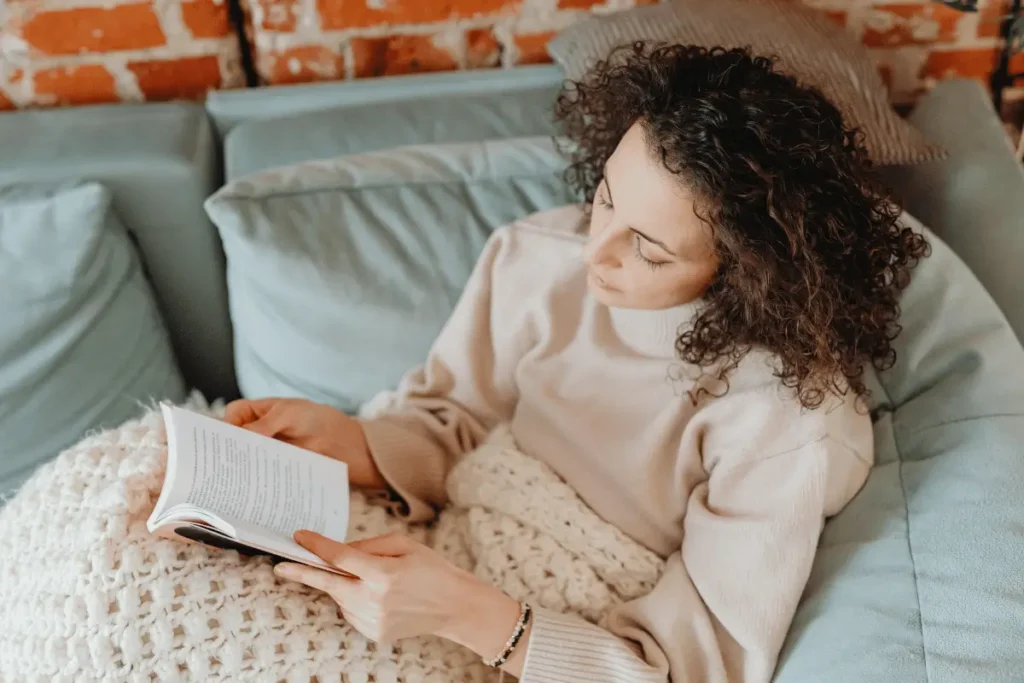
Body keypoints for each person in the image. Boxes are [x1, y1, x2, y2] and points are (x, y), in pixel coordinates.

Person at [224, 43, 928, 683]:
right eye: (605, 198)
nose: (594, 250)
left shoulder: (785, 420)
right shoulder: (536, 257)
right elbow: (452, 424)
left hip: (545, 646)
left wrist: (469, 615)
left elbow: (690, 670)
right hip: (436, 543)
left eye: (647, 249)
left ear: (748, 271)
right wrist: (353, 442)